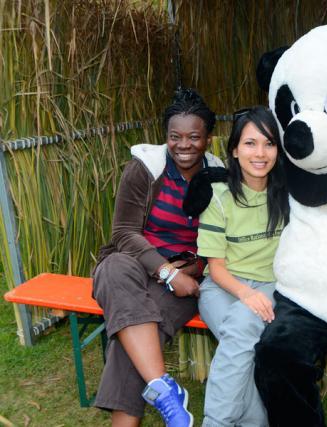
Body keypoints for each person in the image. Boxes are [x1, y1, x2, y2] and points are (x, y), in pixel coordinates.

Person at [92, 88, 222, 427]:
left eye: (194, 137)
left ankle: (165, 396)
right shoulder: (145, 169)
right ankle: (165, 392)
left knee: (130, 339)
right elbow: (123, 232)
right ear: (166, 136)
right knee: (113, 267)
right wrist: (165, 271)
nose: (183, 145)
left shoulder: (220, 179)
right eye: (175, 136)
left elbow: (222, 243)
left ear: (208, 138)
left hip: (184, 279)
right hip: (133, 266)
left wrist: (190, 270)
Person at [196, 106, 288, 427]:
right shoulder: (218, 198)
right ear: (234, 150)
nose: (260, 153)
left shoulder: (288, 196)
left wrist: (254, 295)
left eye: (269, 143)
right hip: (222, 286)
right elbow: (216, 268)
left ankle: (216, 422)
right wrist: (245, 294)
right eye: (250, 143)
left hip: (270, 286)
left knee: (239, 333)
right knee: (241, 340)